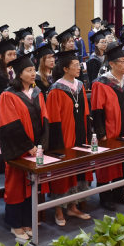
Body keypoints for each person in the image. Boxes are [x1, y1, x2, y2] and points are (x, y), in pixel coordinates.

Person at [0, 52, 49, 241]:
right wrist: (28, 146)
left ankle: (28, 221)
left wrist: (41, 145)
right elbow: (10, 125)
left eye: (34, 70)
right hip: (18, 150)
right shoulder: (8, 95)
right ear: (19, 74)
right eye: (28, 70)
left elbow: (45, 119)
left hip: (35, 149)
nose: (33, 73)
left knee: (31, 184)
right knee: (16, 185)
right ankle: (15, 224)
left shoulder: (37, 92)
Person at [91, 42, 124, 209]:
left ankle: (120, 194)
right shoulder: (101, 83)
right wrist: (101, 133)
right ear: (111, 64)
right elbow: (97, 110)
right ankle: (105, 197)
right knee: (106, 165)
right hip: (109, 131)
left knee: (122, 163)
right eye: (122, 61)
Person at [46, 50, 92, 225]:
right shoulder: (56, 89)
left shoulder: (79, 85)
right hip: (63, 137)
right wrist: (57, 145)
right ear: (65, 69)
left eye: (79, 65)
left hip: (80, 135)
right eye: (75, 65)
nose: (79, 68)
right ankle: (58, 210)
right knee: (63, 173)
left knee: (78, 170)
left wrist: (88, 134)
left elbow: (86, 111)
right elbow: (53, 119)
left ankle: (73, 206)